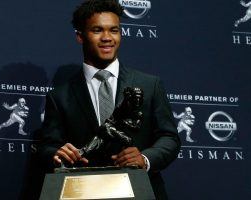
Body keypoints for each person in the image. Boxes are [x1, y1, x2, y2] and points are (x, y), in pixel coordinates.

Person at [38, 0, 181, 199]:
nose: (107, 38)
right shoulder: (59, 95)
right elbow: (47, 146)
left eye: (114, 30)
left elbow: (170, 138)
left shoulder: (150, 85)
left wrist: (145, 158)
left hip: (140, 190)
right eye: (97, 30)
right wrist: (57, 154)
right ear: (80, 36)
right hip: (83, 192)